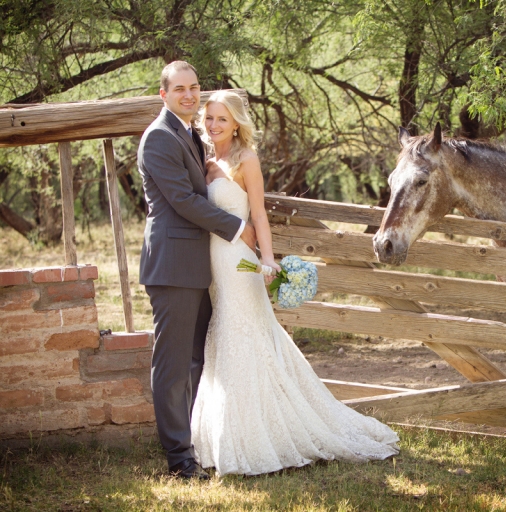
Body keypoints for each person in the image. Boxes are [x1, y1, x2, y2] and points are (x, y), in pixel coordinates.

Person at [190, 90, 399, 476]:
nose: (214, 125)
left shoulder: (245, 160)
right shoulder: (204, 160)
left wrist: (268, 259)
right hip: (213, 262)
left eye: (221, 119)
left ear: (236, 122)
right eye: (209, 118)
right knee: (228, 337)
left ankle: (256, 436)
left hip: (238, 261)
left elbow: (259, 215)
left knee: (243, 336)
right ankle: (228, 431)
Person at [137, 61, 259, 479]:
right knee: (172, 367)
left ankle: (195, 442)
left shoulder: (190, 133)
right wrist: (239, 227)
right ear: (164, 94)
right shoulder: (158, 137)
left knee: (195, 360)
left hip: (199, 266)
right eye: (180, 89)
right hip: (172, 266)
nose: (189, 95)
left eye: (194, 88)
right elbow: (184, 201)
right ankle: (178, 460)